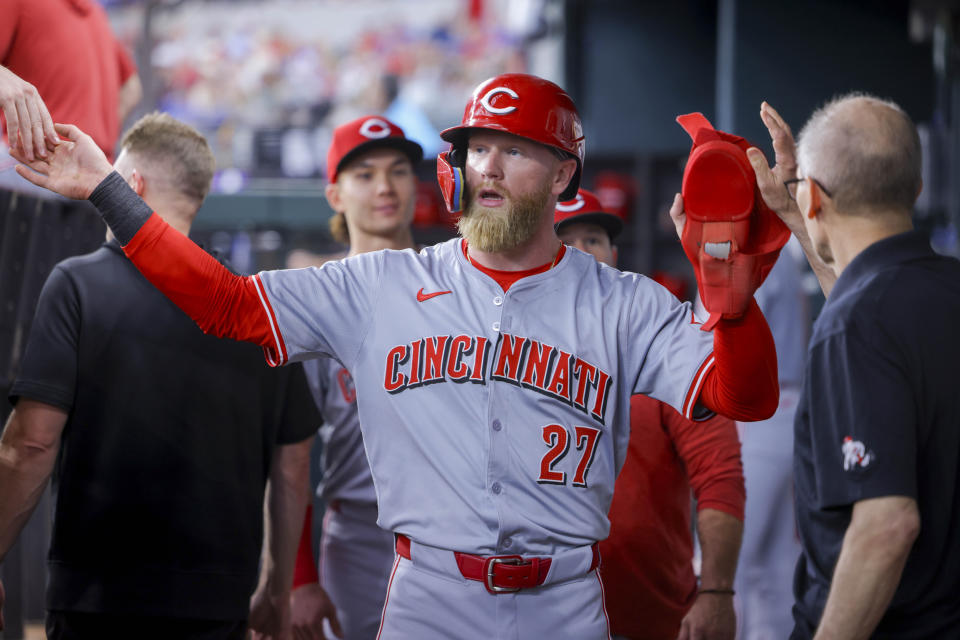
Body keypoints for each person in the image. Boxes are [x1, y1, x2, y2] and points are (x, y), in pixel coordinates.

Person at [13, 73, 780, 639]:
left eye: (514, 152)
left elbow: (744, 396)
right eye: (478, 148)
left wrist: (734, 304)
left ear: (563, 175)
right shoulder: (379, 285)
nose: (486, 167)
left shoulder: (622, 301)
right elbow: (227, 305)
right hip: (429, 597)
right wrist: (110, 191)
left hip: (568, 599)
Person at [0, 112, 319, 639]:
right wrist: (278, 587)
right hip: (217, 603)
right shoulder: (256, 306)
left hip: (97, 601)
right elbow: (293, 467)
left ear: (131, 186)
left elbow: (31, 444)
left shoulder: (76, 285)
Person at [748, 96, 960, 638]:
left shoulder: (859, 323)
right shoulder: (937, 288)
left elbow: (887, 525)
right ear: (915, 189)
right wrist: (797, 217)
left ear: (815, 194)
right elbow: (863, 305)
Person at [555, 189, 745, 640]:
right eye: (568, 241)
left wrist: (716, 592)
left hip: (652, 616)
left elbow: (719, 476)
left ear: (614, 254)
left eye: (594, 239)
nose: (585, 254)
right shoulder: (507, 354)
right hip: (540, 613)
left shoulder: (666, 347)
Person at [289, 115, 422, 640]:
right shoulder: (317, 304)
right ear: (335, 194)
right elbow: (291, 452)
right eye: (364, 174)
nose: (385, 187)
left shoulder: (466, 288)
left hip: (457, 532)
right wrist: (298, 576)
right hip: (358, 537)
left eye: (398, 171)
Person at [732, 238, 807, 640]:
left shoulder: (746, 253)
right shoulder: (779, 251)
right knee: (776, 565)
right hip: (787, 412)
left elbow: (717, 345)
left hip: (758, 414)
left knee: (731, 559)